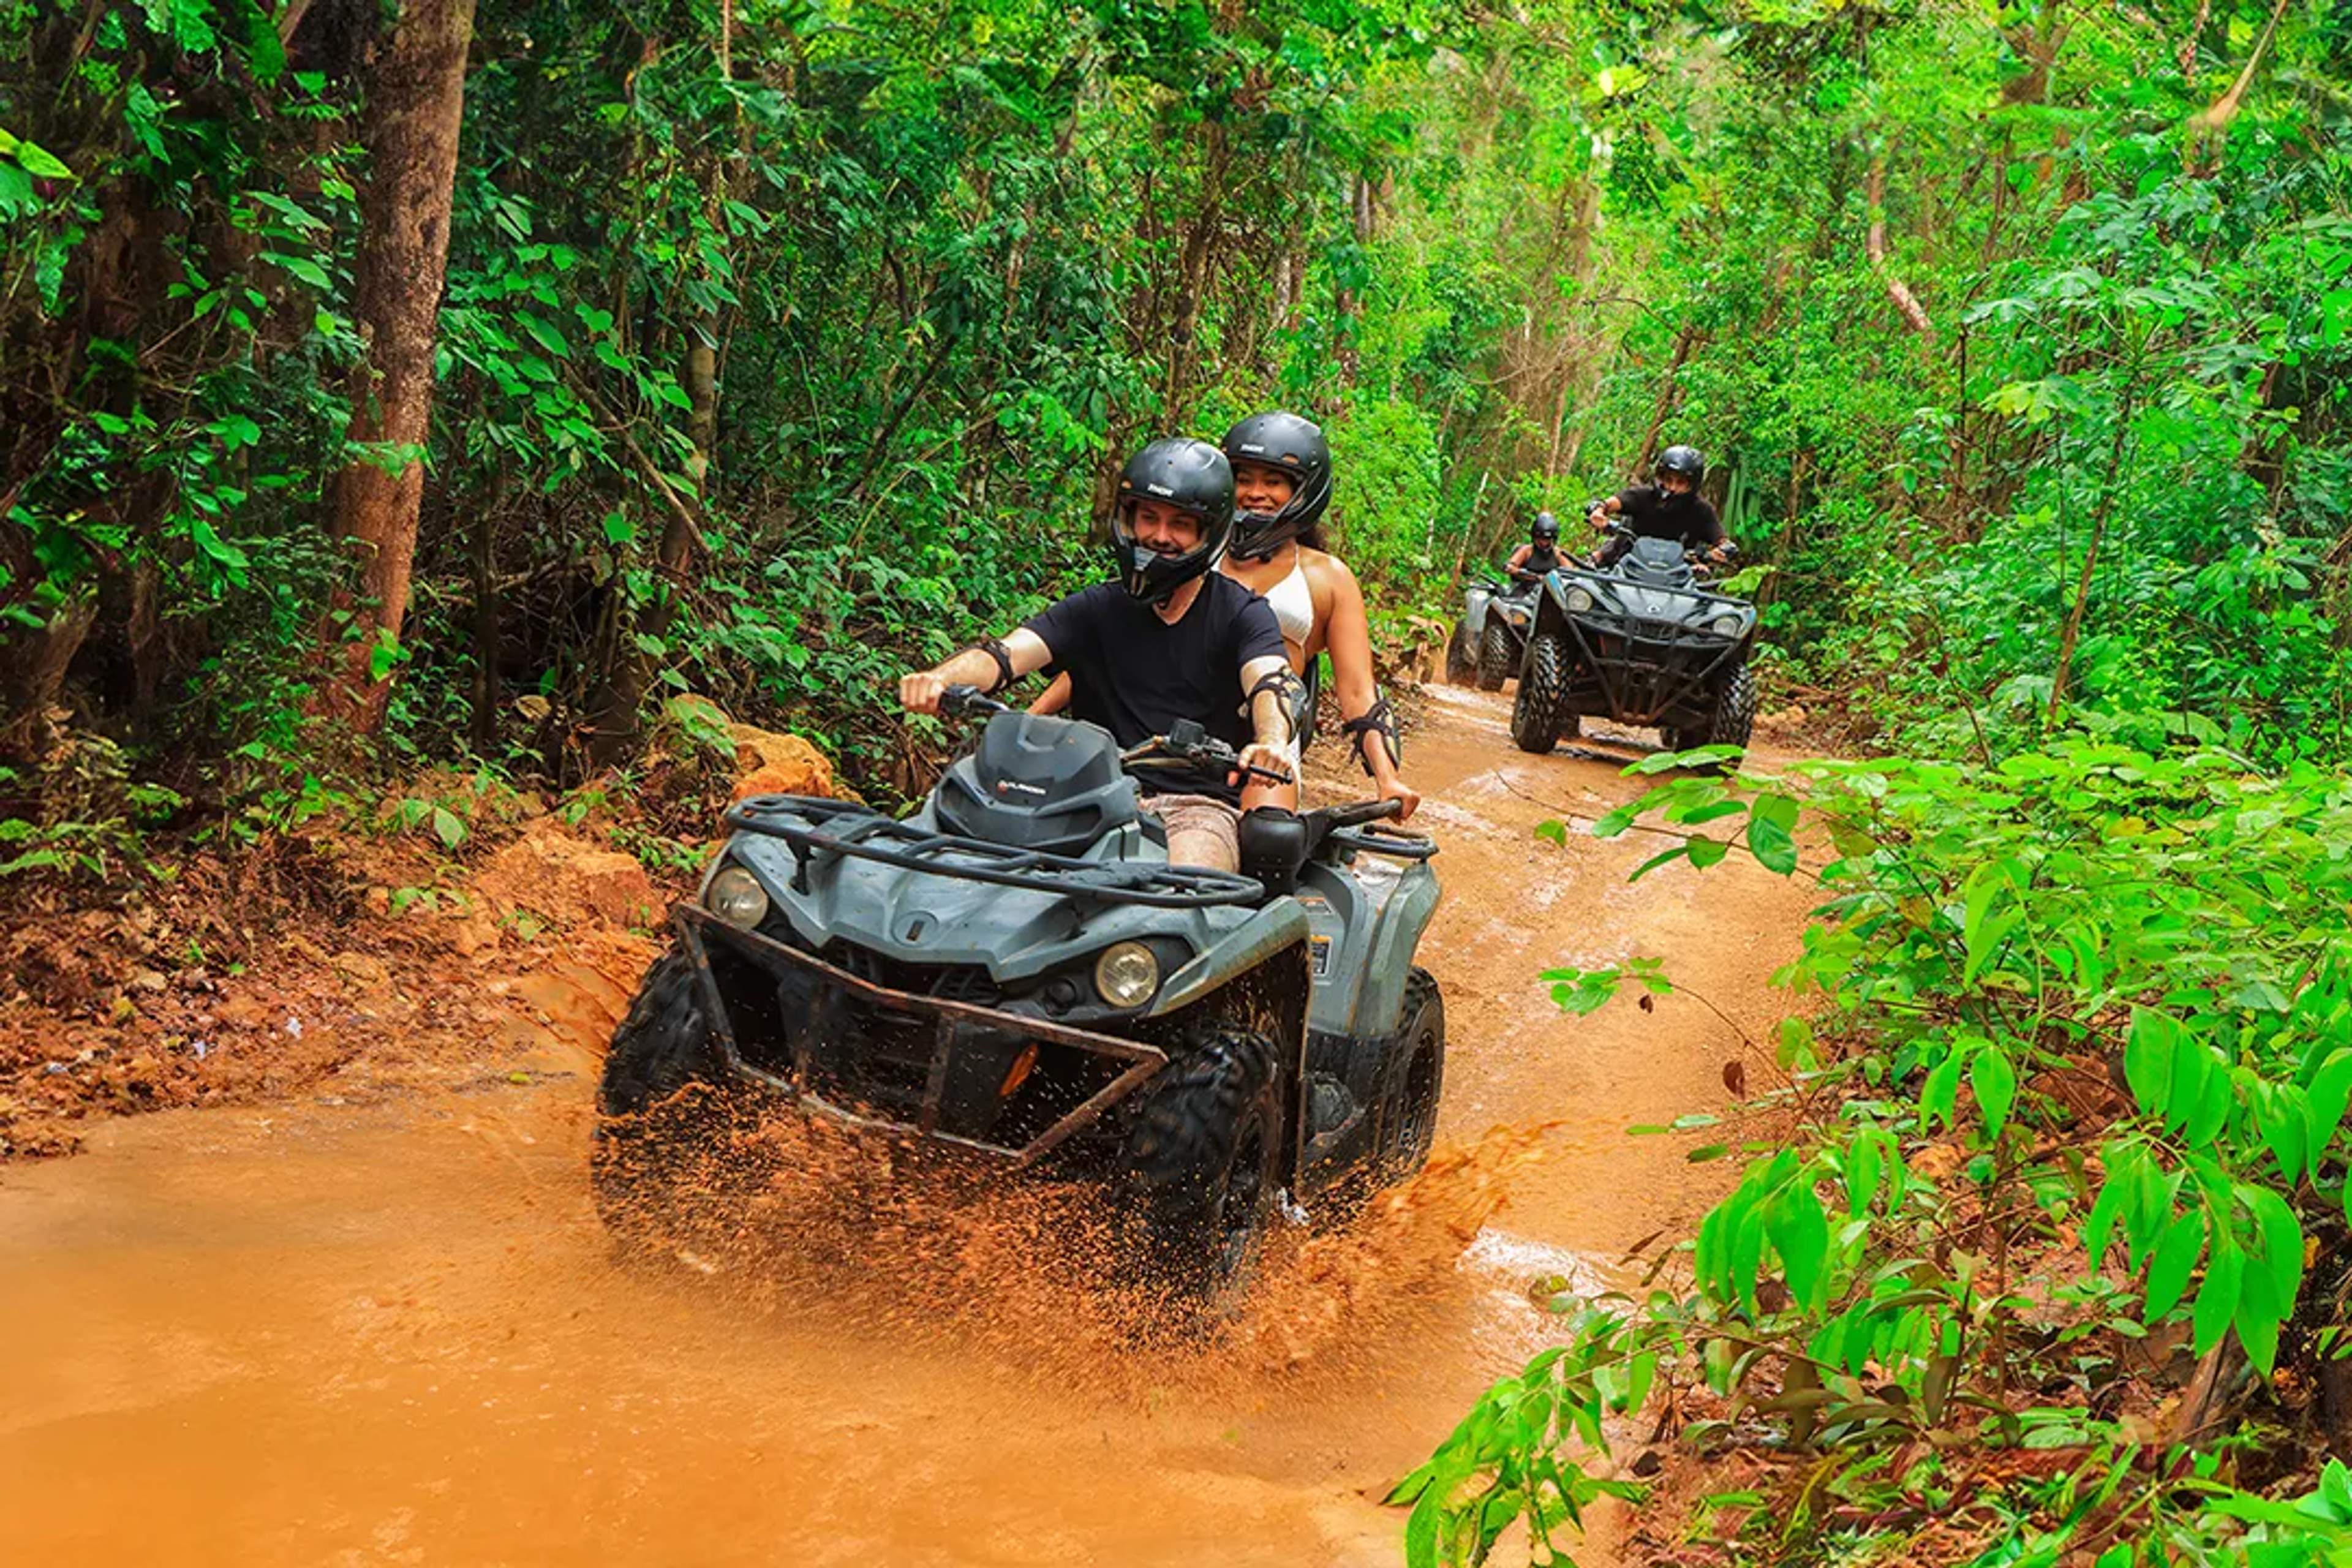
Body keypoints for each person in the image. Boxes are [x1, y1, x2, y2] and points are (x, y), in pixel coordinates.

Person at [899, 437, 1295, 873]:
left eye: (1180, 524)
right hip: (1078, 791)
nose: (1159, 537)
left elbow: (1271, 681)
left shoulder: (1243, 613)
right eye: (1148, 518)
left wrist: (1271, 740)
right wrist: (940, 678)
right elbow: (1005, 654)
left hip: (1192, 807)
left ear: (1209, 532)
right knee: (937, 851)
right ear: (1129, 520)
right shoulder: (1097, 607)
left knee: (1189, 894)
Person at [1035, 412, 1420, 820]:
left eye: (1273, 481)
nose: (1256, 493)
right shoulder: (1187, 554)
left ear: (1303, 490)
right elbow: (1105, 649)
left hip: (1263, 746)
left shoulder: (1328, 579)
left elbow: (1359, 691)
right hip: (1157, 731)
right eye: (1244, 478)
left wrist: (1386, 777)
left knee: (1266, 837)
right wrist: (1032, 722)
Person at [1588, 445, 1729, 566]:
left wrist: (1720, 551)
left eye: (1681, 483)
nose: (1672, 488)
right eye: (1669, 480)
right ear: (1660, 477)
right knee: (1582, 585)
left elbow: (1722, 541)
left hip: (1678, 576)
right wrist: (1599, 511)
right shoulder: (1643, 496)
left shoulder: (1702, 510)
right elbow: (1611, 503)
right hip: (1625, 562)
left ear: (1693, 485)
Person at [1506, 511, 1566, 580]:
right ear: (1534, 537)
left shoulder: (1558, 553)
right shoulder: (1527, 551)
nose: (1544, 543)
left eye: (1547, 539)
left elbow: (1571, 572)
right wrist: (1530, 576)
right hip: (1526, 586)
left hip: (1551, 588)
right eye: (1540, 539)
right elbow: (1510, 566)